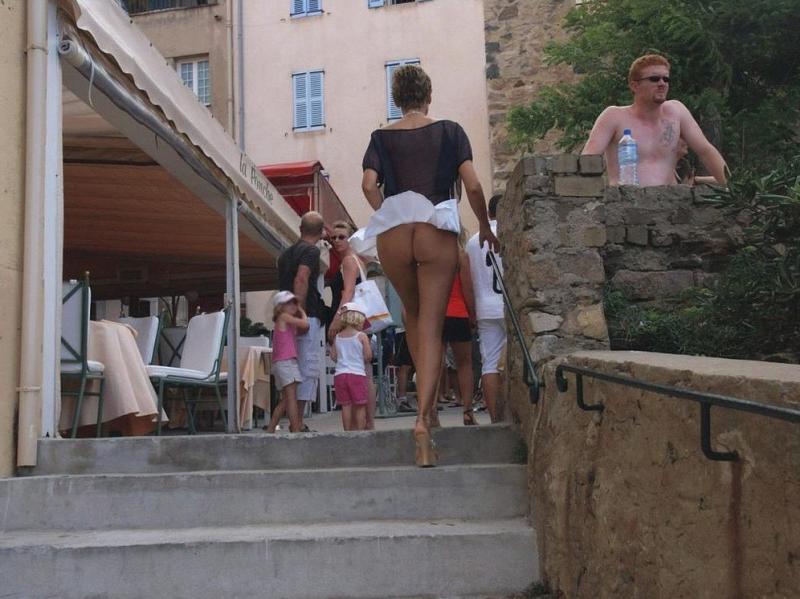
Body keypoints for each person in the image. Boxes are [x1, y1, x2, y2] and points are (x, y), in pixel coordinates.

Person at [361, 64, 498, 467]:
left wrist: (389, 212)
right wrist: (485, 227)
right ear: (429, 95)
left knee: (414, 317)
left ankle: (431, 409)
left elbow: (368, 185)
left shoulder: (380, 137)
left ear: (396, 99)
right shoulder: (451, 131)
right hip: (435, 227)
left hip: (394, 233)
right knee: (433, 325)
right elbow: (474, 185)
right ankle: (423, 420)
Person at [582, 54, 727, 186]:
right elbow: (588, 160)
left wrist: (734, 191)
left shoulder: (676, 111)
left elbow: (705, 151)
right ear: (634, 85)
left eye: (666, 79)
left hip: (669, 200)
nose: (662, 83)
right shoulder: (614, 116)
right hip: (625, 200)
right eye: (654, 79)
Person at [276, 211, 325, 432]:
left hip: (285, 318)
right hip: (306, 315)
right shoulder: (311, 251)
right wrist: (300, 312)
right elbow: (302, 278)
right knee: (307, 368)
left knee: (293, 373)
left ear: (300, 228)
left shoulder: (285, 254)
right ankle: (298, 423)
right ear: (321, 232)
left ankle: (293, 422)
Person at [327, 219, 378, 429]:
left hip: (351, 320)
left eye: (342, 237)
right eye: (333, 237)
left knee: (361, 373)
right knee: (364, 373)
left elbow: (348, 292)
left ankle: (364, 424)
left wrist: (336, 319)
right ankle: (368, 422)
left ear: (351, 238)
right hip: (359, 319)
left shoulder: (348, 260)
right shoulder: (357, 260)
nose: (336, 241)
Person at [465, 194, 505, 423]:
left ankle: (495, 419)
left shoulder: (472, 242)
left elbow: (468, 281)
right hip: (508, 305)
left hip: (484, 307)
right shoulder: (510, 234)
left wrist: (472, 311)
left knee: (489, 364)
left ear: (489, 213)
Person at [435, 229, 477, 427]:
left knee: (434, 363)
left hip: (435, 314)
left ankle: (430, 411)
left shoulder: (429, 256)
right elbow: (467, 287)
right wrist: (473, 314)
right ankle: (467, 411)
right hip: (458, 312)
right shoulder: (460, 255)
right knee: (465, 364)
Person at [264, 291, 308, 433]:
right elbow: (305, 324)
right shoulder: (284, 317)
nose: (293, 305)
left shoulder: (285, 321)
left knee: (285, 400)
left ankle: (270, 429)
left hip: (282, 363)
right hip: (286, 362)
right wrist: (302, 311)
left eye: (295, 302)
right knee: (292, 399)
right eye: (289, 303)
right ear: (280, 306)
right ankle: (295, 430)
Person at [330, 302, 373, 431]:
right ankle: (360, 433)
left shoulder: (337, 337)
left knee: (346, 406)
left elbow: (333, 356)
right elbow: (368, 356)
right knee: (360, 405)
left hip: (340, 375)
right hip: (357, 374)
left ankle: (347, 432)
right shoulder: (361, 336)